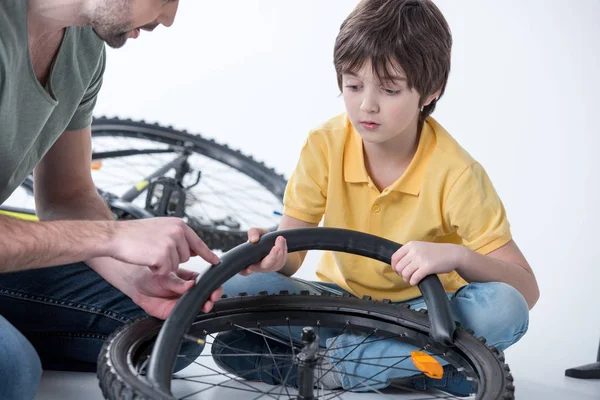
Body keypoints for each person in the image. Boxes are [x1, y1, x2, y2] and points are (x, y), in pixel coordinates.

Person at [210, 0, 540, 395]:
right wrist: (273, 254)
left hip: (425, 313)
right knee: (232, 286)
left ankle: (336, 367)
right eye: (352, 85)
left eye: (389, 89)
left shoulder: (457, 173)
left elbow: (526, 289)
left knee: (505, 308)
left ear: (430, 91)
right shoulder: (323, 145)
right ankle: (411, 366)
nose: (366, 104)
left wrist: (456, 257)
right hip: (341, 305)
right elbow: (293, 253)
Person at [0, 1, 222, 398]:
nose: (168, 19)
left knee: (165, 335)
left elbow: (67, 194)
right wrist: (109, 236)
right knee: (11, 368)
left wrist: (132, 276)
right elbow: (94, 232)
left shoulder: (84, 47)